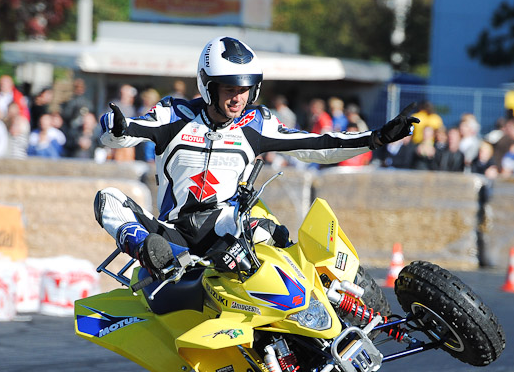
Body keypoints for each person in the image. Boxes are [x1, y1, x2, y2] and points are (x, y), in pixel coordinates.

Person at [93, 36, 419, 279]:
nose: (238, 97)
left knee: (272, 230)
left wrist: (375, 138)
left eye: (245, 88)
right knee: (107, 198)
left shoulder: (256, 123)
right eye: (229, 88)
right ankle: (150, 254)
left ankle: (337, 293)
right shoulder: (173, 114)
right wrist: (116, 126)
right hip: (173, 234)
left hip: (229, 227)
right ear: (208, 86)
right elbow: (122, 131)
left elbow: (316, 144)